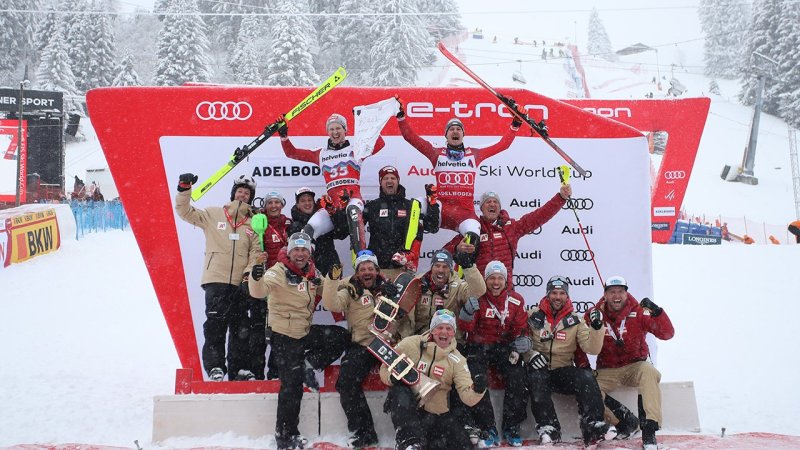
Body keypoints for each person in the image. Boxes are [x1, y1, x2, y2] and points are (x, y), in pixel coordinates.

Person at [248, 233, 345, 450]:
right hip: (283, 336)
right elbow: (259, 291)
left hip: (303, 332)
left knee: (340, 337)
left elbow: (329, 297)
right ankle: (285, 437)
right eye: (296, 250)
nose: (300, 254)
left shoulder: (312, 272)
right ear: (289, 252)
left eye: (304, 250)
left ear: (309, 253)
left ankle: (308, 364)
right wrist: (256, 275)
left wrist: (333, 278)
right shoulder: (278, 271)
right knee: (292, 387)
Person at [395, 99, 521, 264]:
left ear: (463, 135)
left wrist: (516, 124)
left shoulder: (474, 154)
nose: (455, 131)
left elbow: (502, 145)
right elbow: (410, 137)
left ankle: (462, 276)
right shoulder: (436, 152)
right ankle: (409, 255)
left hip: (464, 214)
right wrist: (401, 117)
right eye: (451, 129)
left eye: (458, 129)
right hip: (440, 209)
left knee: (473, 239)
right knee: (416, 204)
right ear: (446, 135)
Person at [174, 173, 261, 382]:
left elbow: (256, 253)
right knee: (215, 326)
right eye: (240, 191)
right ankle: (215, 368)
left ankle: (239, 369)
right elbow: (185, 211)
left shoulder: (253, 223)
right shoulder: (214, 214)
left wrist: (248, 276)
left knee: (242, 328)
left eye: (247, 193)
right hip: (216, 281)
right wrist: (184, 189)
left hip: (240, 284)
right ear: (233, 194)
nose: (242, 195)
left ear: (250, 197)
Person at [584, 276, 675, 450]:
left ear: (626, 294)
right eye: (612, 292)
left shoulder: (639, 312)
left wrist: (658, 313)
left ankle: (649, 430)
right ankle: (625, 421)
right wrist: (591, 319)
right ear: (605, 295)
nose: (616, 296)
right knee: (586, 385)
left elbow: (667, 334)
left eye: (620, 291)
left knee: (649, 372)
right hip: (607, 370)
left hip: (635, 366)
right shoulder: (595, 313)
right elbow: (583, 341)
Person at [525, 276, 615, 446]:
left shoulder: (576, 320)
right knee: (537, 378)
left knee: (586, 378)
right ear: (547, 294)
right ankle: (549, 428)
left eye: (561, 293)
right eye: (553, 292)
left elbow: (592, 349)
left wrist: (597, 328)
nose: (557, 297)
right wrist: (531, 355)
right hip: (539, 370)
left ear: (567, 296)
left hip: (562, 371)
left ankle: (593, 426)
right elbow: (521, 341)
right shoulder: (532, 315)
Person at [322, 250, 399, 448]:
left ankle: (409, 435)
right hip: (364, 345)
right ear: (357, 273)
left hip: (390, 345)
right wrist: (332, 280)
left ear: (377, 270)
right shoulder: (350, 289)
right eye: (362, 269)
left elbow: (407, 317)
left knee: (407, 380)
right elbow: (332, 304)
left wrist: (396, 299)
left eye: (370, 268)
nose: (367, 272)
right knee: (346, 383)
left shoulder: (390, 287)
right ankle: (363, 433)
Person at [279, 113, 385, 254]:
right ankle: (305, 266)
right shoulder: (321, 153)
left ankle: (361, 256)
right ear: (328, 132)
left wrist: (365, 124)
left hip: (353, 200)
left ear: (345, 130)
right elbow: (291, 153)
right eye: (331, 129)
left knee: (353, 214)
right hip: (333, 205)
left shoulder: (356, 149)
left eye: (338, 128)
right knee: (309, 229)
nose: (335, 132)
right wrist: (284, 136)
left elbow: (380, 143)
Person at [381, 309, 486, 450]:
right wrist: (392, 377)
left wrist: (478, 389)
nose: (444, 333)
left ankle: (428, 442)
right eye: (439, 328)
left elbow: (467, 396)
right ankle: (409, 442)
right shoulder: (411, 344)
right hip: (411, 414)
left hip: (437, 416)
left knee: (463, 445)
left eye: (449, 329)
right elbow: (385, 366)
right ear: (432, 330)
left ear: (453, 333)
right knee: (399, 390)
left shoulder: (458, 359)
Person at [457, 261, 529, 447]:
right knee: (478, 378)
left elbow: (520, 329)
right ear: (485, 280)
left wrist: (523, 340)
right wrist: (466, 314)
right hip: (478, 347)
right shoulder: (477, 298)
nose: (495, 282)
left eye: (499, 278)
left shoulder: (516, 300)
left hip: (504, 347)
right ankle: (487, 427)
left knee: (518, 375)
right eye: (491, 278)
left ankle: (511, 425)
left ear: (506, 281)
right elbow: (466, 330)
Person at [445, 187, 570, 288]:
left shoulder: (511, 227)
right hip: (478, 289)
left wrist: (560, 198)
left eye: (495, 202)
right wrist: (457, 248)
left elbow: (539, 216)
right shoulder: (473, 228)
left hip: (504, 289)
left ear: (499, 208)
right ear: (481, 208)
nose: (492, 204)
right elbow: (444, 253)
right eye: (488, 202)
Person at [245, 190, 292, 380]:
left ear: (282, 205)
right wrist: (257, 259)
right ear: (265, 206)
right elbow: (250, 248)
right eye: (270, 202)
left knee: (279, 330)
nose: (274, 206)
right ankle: (256, 373)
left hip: (282, 284)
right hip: (263, 282)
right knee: (258, 329)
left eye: (277, 202)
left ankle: (275, 372)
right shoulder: (259, 223)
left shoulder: (289, 224)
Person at [363, 165, 440, 280]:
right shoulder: (372, 206)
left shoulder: (410, 206)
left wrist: (433, 203)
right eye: (385, 178)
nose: (389, 181)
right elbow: (353, 230)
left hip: (403, 268)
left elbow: (432, 227)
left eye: (393, 178)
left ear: (398, 181)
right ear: (380, 182)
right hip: (378, 269)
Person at [411, 249, 486, 336]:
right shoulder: (417, 282)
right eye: (437, 266)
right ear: (431, 267)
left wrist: (469, 267)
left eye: (445, 266)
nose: (440, 270)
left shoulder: (458, 285)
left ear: (450, 269)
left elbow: (479, 291)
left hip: (449, 341)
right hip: (421, 339)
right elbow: (407, 318)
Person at [287, 187, 349, 278]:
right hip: (308, 270)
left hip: (330, 265)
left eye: (309, 200)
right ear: (297, 204)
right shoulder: (295, 225)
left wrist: (333, 212)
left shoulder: (324, 216)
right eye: (303, 201)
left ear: (314, 202)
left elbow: (341, 233)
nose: (307, 203)